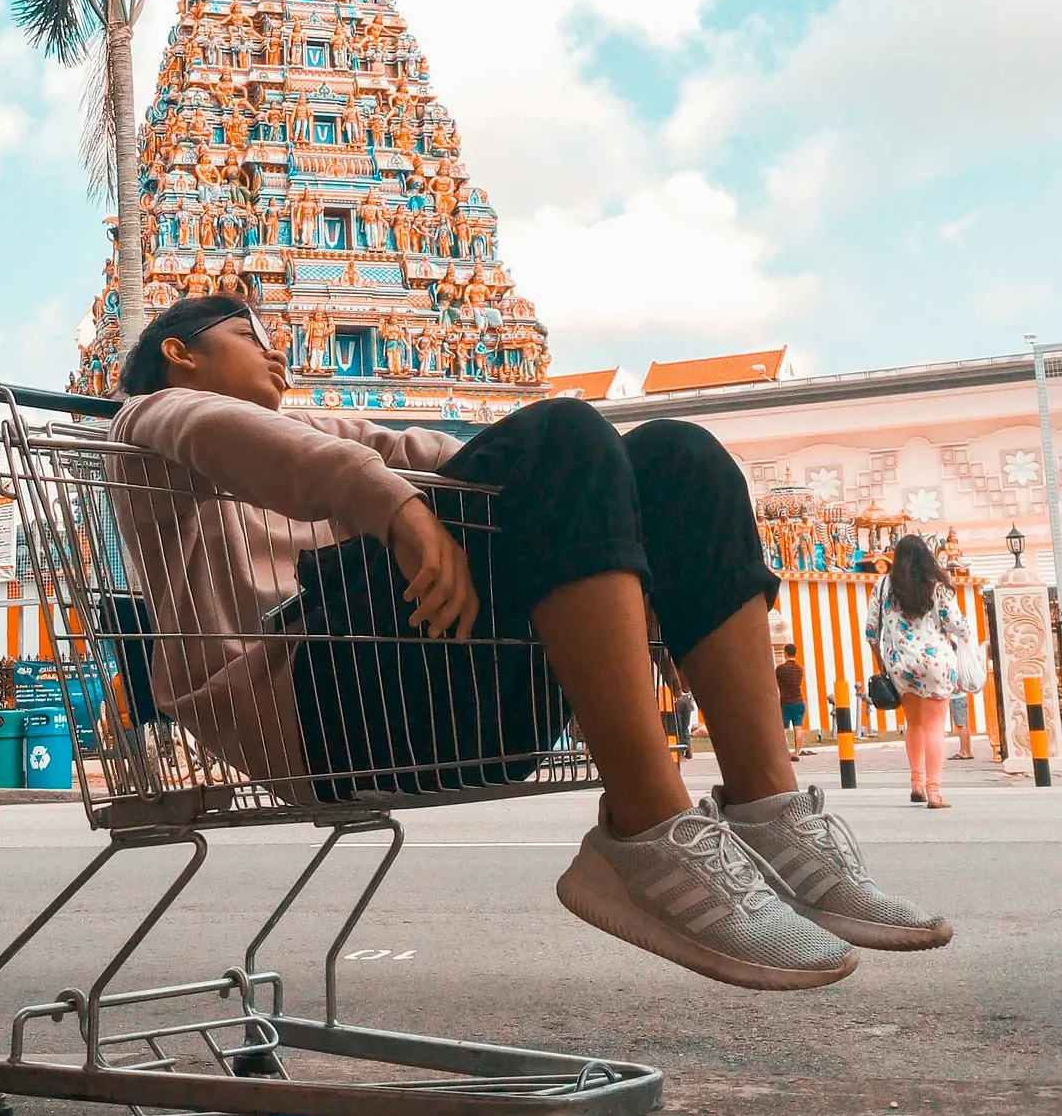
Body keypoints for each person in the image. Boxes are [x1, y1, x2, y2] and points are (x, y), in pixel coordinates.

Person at [108, 297, 952, 995]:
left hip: (434, 689)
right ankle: (645, 830)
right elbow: (248, 443)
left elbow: (448, 455)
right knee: (564, 432)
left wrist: (615, 502)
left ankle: (768, 812)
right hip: (313, 705)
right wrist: (399, 511)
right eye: (247, 336)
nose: (277, 354)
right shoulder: (150, 418)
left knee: (675, 456)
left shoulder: (325, 427)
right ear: (179, 352)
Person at [866, 534, 968, 809]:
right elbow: (956, 623)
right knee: (935, 727)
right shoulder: (936, 587)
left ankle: (917, 783)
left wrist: (881, 662)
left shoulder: (883, 586)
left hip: (901, 664)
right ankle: (934, 790)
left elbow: (871, 632)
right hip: (935, 663)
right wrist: (966, 632)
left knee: (914, 724)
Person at [776, 643, 808, 761]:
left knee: (783, 729)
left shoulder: (780, 669)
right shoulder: (800, 670)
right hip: (799, 702)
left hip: (785, 702)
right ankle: (797, 753)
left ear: (785, 654)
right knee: (798, 728)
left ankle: (785, 753)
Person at [948, 689, 974, 760]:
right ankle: (968, 751)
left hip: (956, 698)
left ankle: (963, 751)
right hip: (963, 696)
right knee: (965, 724)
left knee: (961, 726)